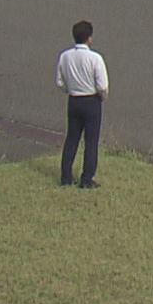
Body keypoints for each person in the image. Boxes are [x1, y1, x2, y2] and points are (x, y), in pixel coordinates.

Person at [56, 20, 109, 189]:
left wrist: (70, 89)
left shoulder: (65, 56)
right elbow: (102, 85)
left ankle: (66, 176)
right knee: (91, 141)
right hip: (91, 101)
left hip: (74, 100)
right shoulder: (95, 58)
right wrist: (102, 97)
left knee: (72, 138)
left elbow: (59, 81)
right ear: (89, 38)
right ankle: (87, 178)